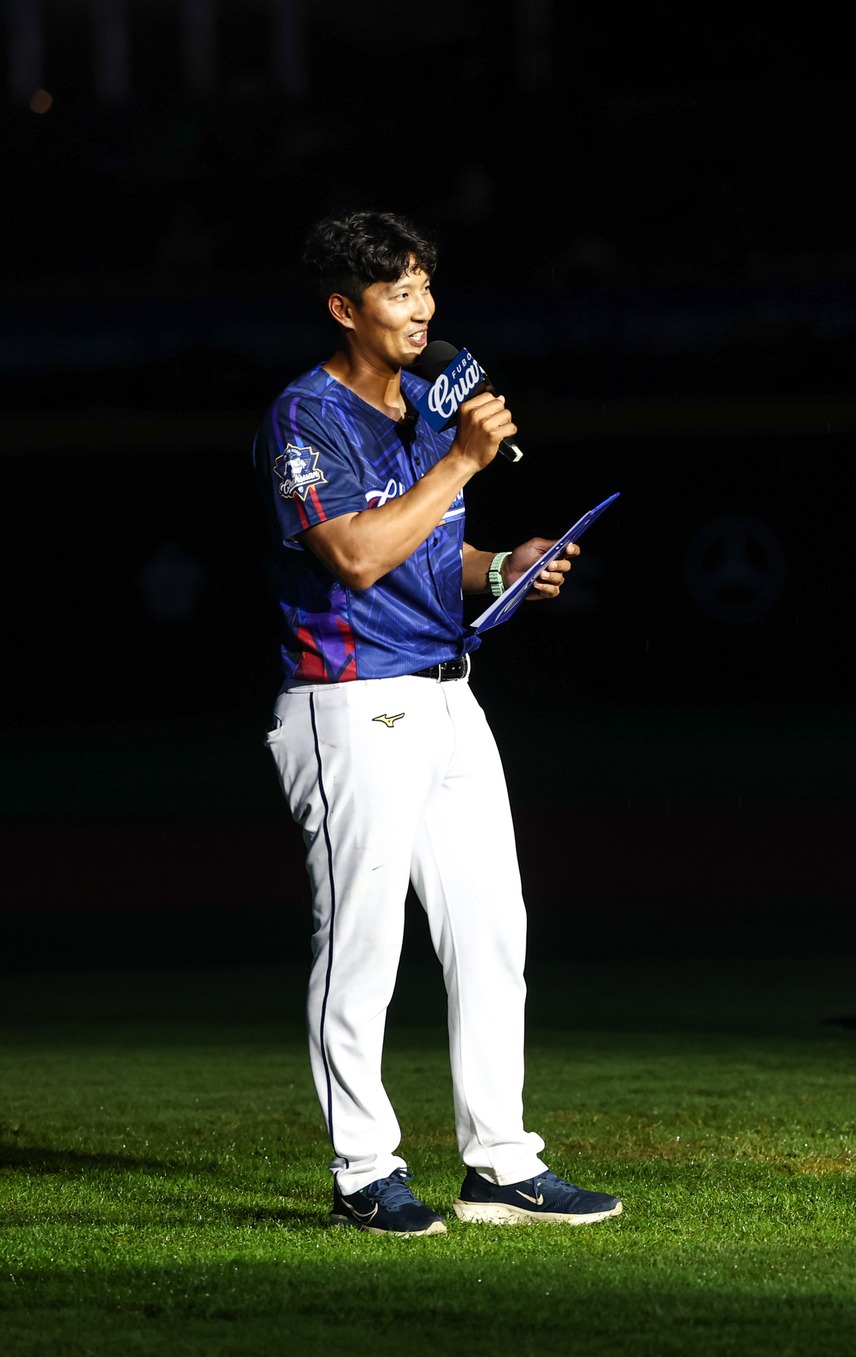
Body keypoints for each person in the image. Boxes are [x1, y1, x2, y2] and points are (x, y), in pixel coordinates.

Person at [255, 210, 620, 1235]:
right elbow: (356, 556)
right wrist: (460, 461)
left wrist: (504, 568)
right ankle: (363, 1172)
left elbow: (427, 554)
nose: (421, 310)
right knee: (362, 942)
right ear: (345, 308)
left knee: (492, 931)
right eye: (397, 292)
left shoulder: (426, 401)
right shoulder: (304, 417)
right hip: (349, 699)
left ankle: (500, 1164)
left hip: (451, 691)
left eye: (423, 287)